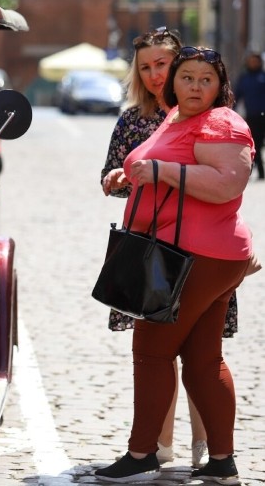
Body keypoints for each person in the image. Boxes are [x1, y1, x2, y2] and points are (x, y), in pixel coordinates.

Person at [95, 46, 255, 484]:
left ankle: (143, 453)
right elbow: (165, 162)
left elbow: (228, 183)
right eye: (187, 77)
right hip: (192, 255)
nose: (197, 86)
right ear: (173, 82)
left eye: (207, 79)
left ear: (221, 85)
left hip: (195, 258)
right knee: (203, 359)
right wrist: (127, 177)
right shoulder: (176, 117)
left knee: (151, 350)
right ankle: (222, 464)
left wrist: (163, 171)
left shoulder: (223, 122)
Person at [233, 51, 265, 180]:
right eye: (250, 61)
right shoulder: (244, 78)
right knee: (256, 143)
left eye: (255, 61)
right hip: (252, 116)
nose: (253, 63)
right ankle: (260, 170)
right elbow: (236, 96)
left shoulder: (263, 76)